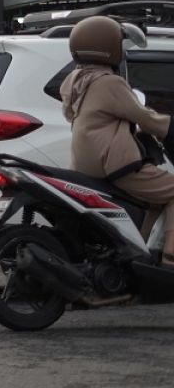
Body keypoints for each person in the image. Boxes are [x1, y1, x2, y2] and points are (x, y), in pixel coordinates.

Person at [60, 15, 174, 266]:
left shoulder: (74, 81)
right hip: (116, 164)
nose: (121, 52)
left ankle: (139, 255)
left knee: (153, 198)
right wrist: (168, 124)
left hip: (86, 165)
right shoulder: (109, 82)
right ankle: (170, 257)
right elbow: (143, 116)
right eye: (119, 45)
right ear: (107, 48)